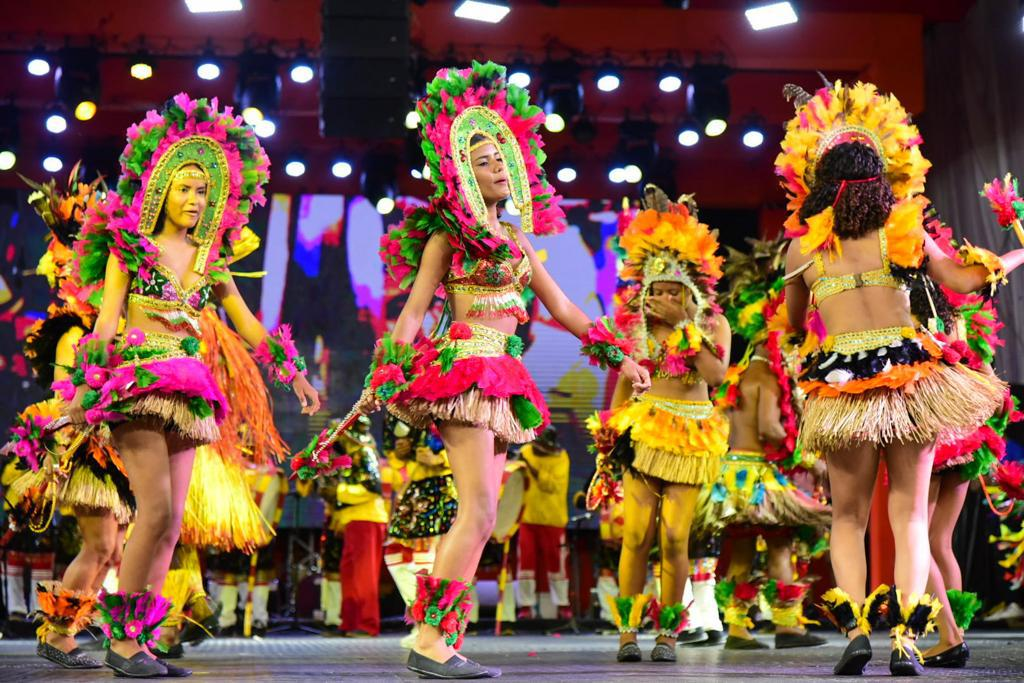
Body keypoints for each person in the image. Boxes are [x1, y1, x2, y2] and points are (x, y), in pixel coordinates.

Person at [322, 61, 649, 679]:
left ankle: (437, 636)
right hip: (466, 371)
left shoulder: (521, 242)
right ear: (462, 176)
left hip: (506, 376)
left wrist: (622, 355)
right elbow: (414, 313)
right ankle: (429, 638)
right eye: (483, 159)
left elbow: (563, 308)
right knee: (475, 511)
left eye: (503, 156)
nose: (500, 164)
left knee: (483, 516)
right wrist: (388, 368)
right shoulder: (448, 237)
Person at [60, 94, 319, 677]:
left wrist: (294, 372)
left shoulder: (211, 260)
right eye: (184, 188)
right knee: (151, 512)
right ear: (160, 189)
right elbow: (104, 325)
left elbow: (248, 325)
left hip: (189, 389)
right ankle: (121, 643)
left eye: (204, 191)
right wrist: (82, 391)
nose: (195, 200)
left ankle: (140, 639)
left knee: (172, 523)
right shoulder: (130, 248)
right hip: (138, 386)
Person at [777, 79, 1024, 676]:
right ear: (881, 174)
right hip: (909, 375)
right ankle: (907, 642)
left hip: (839, 382)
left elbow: (790, 325)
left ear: (822, 180)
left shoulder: (801, 251)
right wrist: (1016, 255)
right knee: (909, 514)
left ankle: (859, 628)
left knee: (848, 516)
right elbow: (965, 283)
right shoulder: (904, 230)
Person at [589, 186, 730, 663]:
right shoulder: (633, 329)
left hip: (691, 436)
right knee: (636, 534)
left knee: (674, 536)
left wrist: (688, 326)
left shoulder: (713, 326)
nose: (664, 298)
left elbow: (715, 378)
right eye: (657, 291)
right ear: (644, 290)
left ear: (690, 293)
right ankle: (628, 631)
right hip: (643, 433)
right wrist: (607, 437)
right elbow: (625, 388)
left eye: (674, 291)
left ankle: (668, 632)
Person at [3, 167, 132, 670]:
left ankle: (71, 629)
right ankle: (57, 633)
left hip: (107, 449)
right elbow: (67, 397)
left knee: (112, 550)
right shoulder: (74, 332)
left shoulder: (104, 326)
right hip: (85, 448)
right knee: (100, 546)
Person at [696, 236, 830, 650]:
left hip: (729, 476)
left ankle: (737, 629)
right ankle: (788, 627)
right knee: (780, 548)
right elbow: (771, 428)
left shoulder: (737, 375)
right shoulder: (768, 376)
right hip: (758, 475)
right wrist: (807, 455)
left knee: (737, 556)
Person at [383, 417, 458, 648]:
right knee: (394, 552)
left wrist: (441, 459)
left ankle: (430, 626)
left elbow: (474, 445)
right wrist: (400, 451)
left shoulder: (452, 403)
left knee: (431, 556)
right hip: (416, 487)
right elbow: (394, 450)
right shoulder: (406, 405)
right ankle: (421, 616)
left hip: (442, 487)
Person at [515, 426, 571, 621]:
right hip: (527, 517)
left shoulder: (561, 457)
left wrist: (529, 466)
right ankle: (526, 606)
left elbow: (551, 485)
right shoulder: (526, 451)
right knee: (526, 564)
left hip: (553, 519)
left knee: (557, 564)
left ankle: (562, 605)